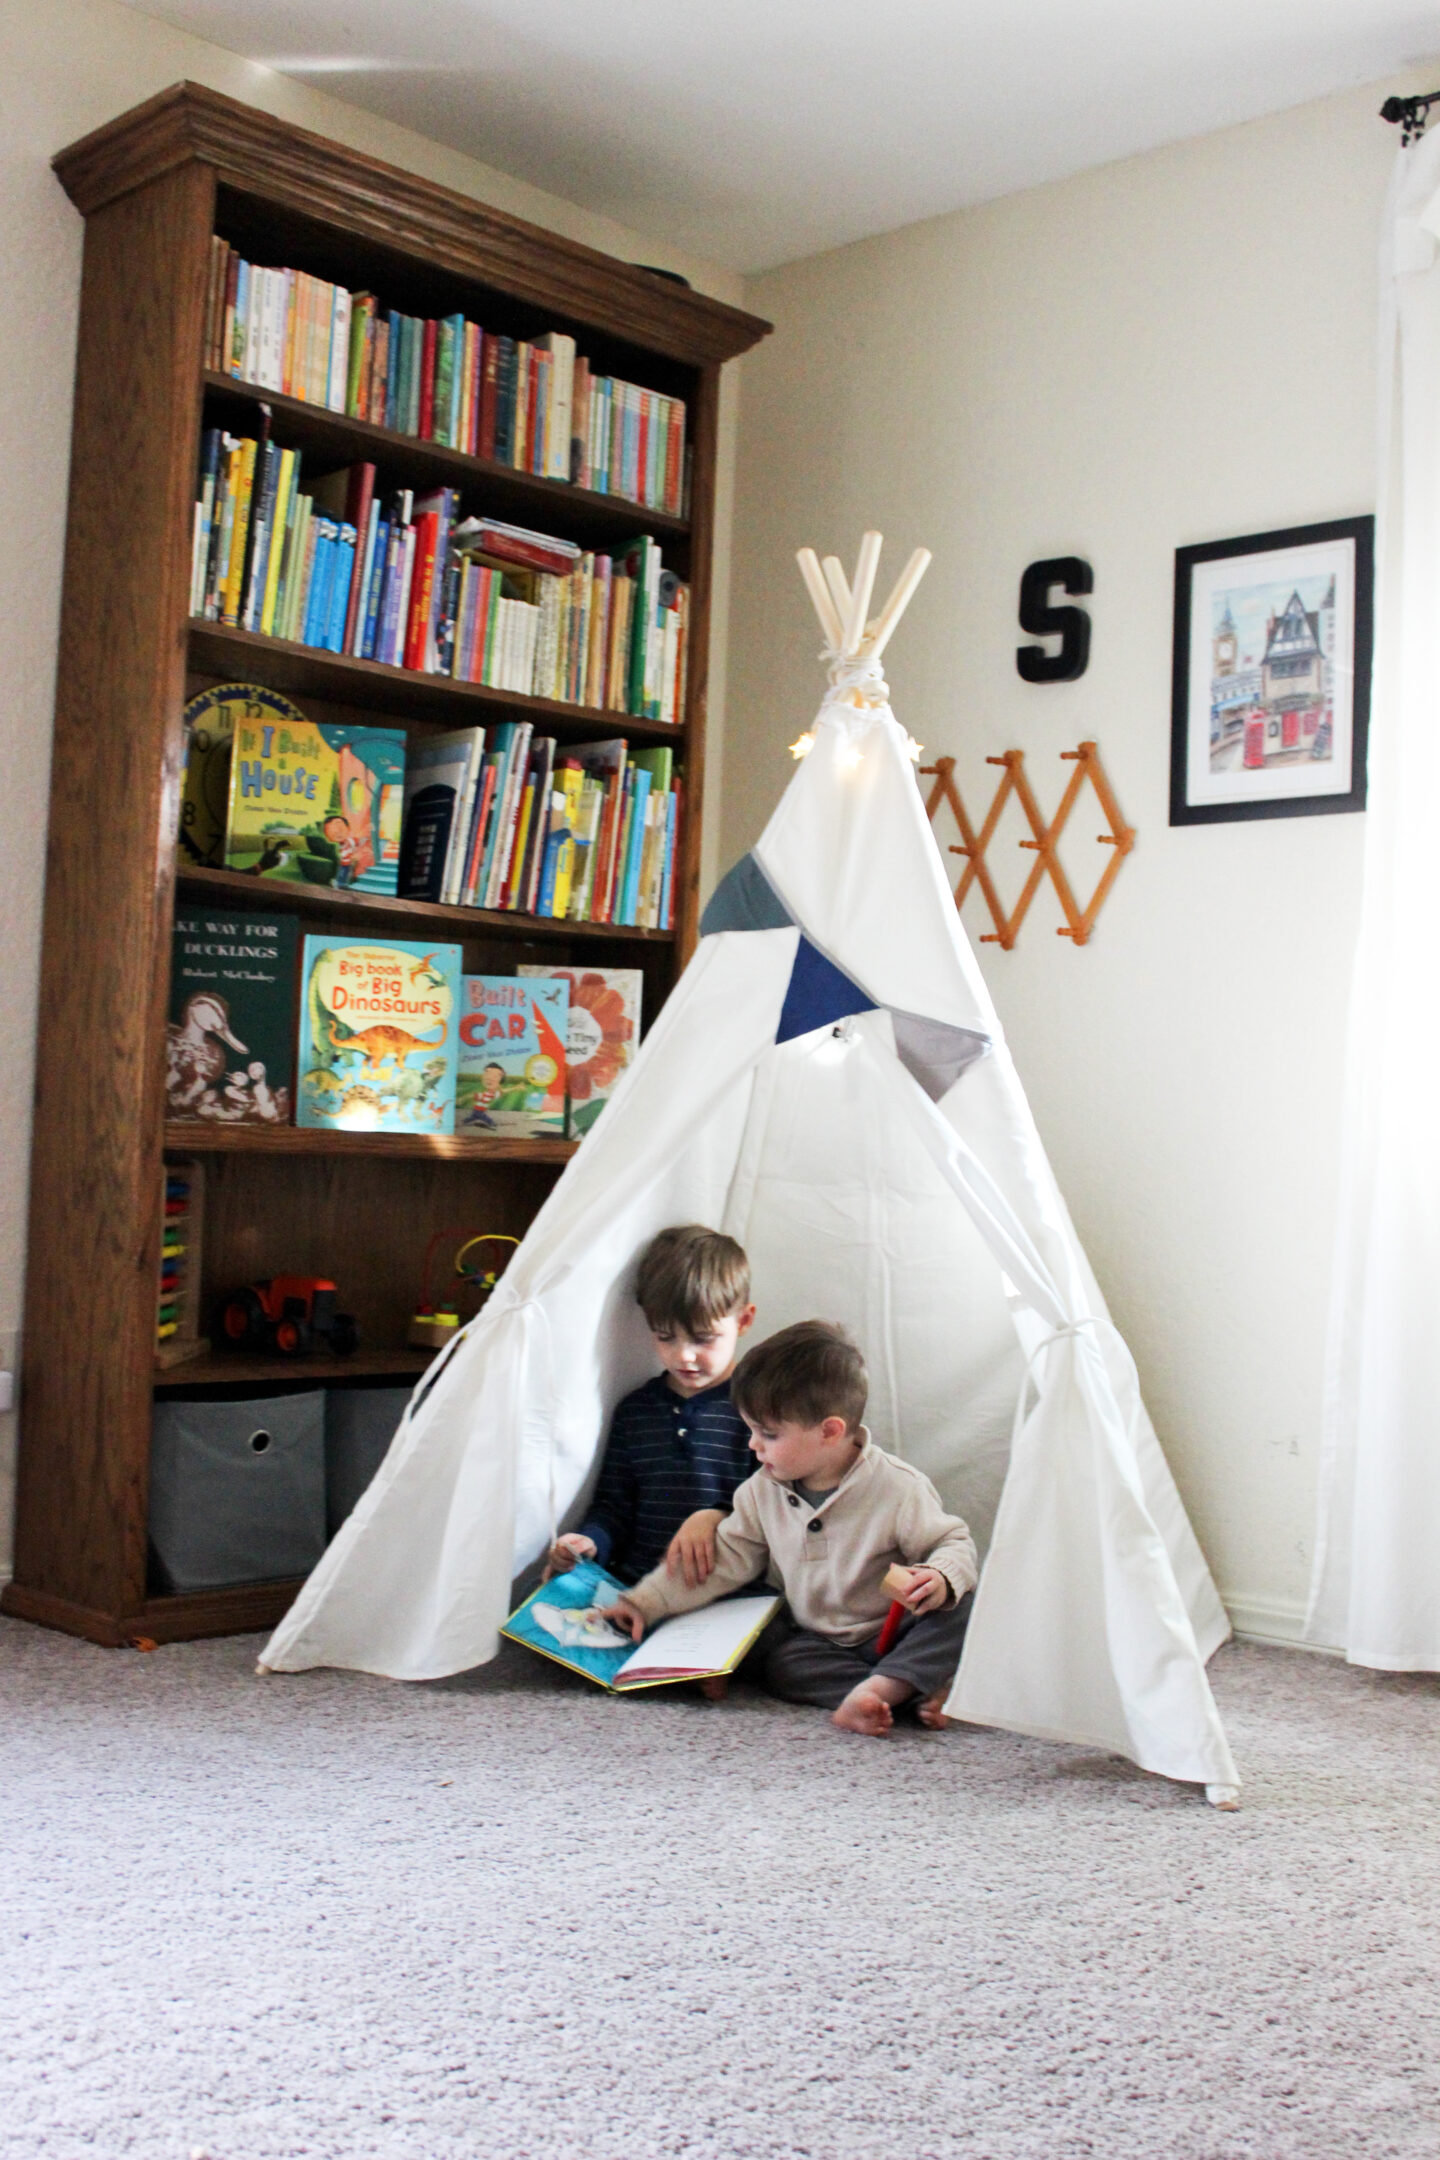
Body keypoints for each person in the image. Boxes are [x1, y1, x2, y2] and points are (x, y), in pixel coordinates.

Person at [601, 1320, 977, 1736]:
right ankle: (897, 1690)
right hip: (818, 1642)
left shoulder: (897, 1487)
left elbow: (951, 1542)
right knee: (779, 1662)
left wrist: (939, 1577)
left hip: (894, 1627)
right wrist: (643, 1603)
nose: (753, 1446)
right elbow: (718, 1564)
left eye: (768, 1434)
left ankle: (894, 1684)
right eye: (750, 1431)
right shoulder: (760, 1493)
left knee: (961, 1607)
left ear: (829, 1432)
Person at [543, 1225, 757, 1592]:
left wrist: (718, 1516)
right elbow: (614, 1506)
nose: (683, 1355)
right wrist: (589, 1542)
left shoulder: (761, 1412)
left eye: (703, 1338)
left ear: (743, 1321)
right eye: (665, 1336)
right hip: (636, 1588)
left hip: (725, 1598)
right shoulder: (635, 1413)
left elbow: (780, 1514)